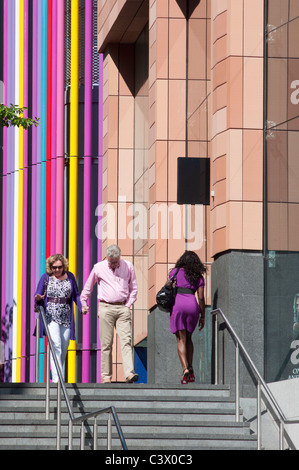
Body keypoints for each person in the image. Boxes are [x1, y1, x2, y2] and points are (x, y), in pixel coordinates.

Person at [80, 244, 138, 384]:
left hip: (122, 307)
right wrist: (84, 303)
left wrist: (127, 305)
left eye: (115, 261)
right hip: (105, 307)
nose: (113, 264)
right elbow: (88, 287)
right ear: (107, 258)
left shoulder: (128, 266)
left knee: (126, 341)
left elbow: (134, 288)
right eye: (111, 262)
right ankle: (106, 377)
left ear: (120, 257)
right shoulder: (99, 267)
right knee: (106, 344)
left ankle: (129, 374)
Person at [34, 254, 82, 383]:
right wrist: (38, 297)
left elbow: (76, 295)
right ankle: (57, 379)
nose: (56, 270)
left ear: (64, 266)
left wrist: (83, 307)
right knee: (56, 346)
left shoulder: (70, 277)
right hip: (51, 316)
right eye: (54, 267)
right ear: (50, 267)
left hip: (66, 317)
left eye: (59, 267)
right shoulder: (46, 277)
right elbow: (37, 294)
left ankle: (55, 372)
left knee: (64, 348)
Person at [169, 251, 206, 384]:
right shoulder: (199, 277)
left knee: (181, 339)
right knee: (189, 338)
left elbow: (168, 288)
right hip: (192, 306)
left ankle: (185, 370)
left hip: (178, 305)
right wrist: (203, 316)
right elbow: (201, 298)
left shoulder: (175, 272)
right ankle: (191, 368)